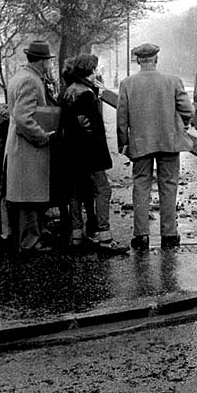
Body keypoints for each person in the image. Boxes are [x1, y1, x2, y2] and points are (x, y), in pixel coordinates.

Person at [116, 43, 194, 250]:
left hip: (141, 143)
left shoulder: (127, 84)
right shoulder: (173, 81)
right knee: (169, 186)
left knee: (141, 186)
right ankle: (169, 234)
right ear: (156, 59)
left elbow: (121, 119)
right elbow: (188, 109)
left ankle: (141, 236)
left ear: (138, 61)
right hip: (169, 141)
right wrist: (183, 123)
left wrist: (124, 143)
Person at [60, 54, 129, 255]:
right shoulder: (86, 95)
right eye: (94, 70)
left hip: (71, 152)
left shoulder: (69, 91)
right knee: (103, 190)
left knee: (76, 193)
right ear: (88, 73)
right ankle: (105, 238)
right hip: (89, 153)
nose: (96, 73)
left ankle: (77, 236)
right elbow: (93, 128)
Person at [5, 40, 59, 253]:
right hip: (27, 147)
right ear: (43, 61)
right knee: (29, 196)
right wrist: (43, 136)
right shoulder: (30, 80)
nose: (49, 65)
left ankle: (32, 238)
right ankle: (30, 242)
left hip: (19, 145)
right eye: (48, 61)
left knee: (28, 195)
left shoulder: (22, 76)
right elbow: (23, 117)